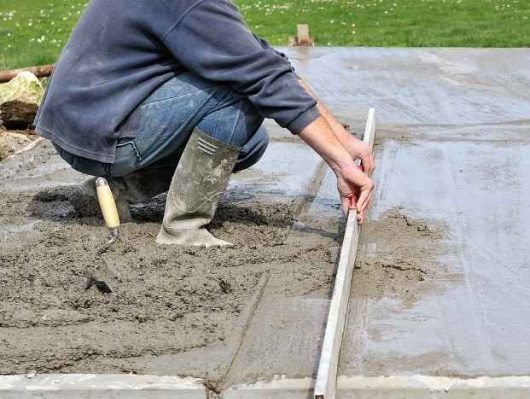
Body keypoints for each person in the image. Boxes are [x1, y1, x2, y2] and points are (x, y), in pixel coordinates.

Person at [34, 0, 374, 247]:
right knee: (240, 95)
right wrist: (340, 164)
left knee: (249, 142)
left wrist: (342, 139)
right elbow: (260, 78)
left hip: (90, 118)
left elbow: (265, 59)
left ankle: (116, 191)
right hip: (98, 130)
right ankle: (183, 229)